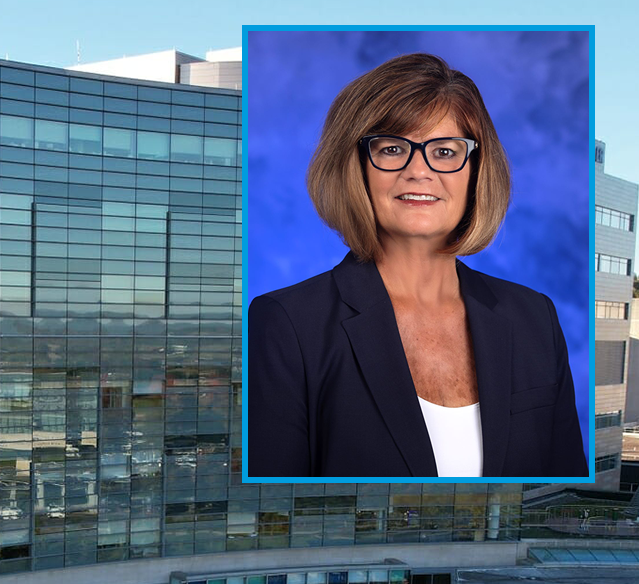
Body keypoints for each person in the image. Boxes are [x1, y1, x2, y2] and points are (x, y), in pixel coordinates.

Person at [247, 53, 587, 478]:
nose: (419, 171)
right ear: (354, 167)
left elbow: (562, 491)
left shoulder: (534, 316)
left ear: (477, 170)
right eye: (392, 149)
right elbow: (275, 510)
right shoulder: (287, 324)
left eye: (445, 151)